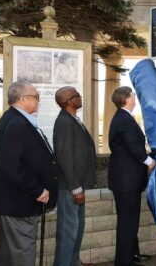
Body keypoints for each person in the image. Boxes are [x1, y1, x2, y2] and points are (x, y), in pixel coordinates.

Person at [0, 81, 58, 266]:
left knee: (11, 253)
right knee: (22, 253)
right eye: (35, 96)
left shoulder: (15, 119)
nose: (38, 100)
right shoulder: (17, 123)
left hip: (16, 202)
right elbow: (11, 166)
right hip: (19, 203)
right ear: (23, 99)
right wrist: (37, 191)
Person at [108, 86, 156, 266]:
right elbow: (133, 147)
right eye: (133, 94)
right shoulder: (125, 120)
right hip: (126, 180)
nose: (135, 96)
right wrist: (149, 161)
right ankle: (124, 261)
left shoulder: (123, 117)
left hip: (125, 179)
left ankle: (131, 254)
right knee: (128, 222)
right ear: (127, 99)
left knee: (129, 220)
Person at [53, 86, 97, 266]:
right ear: (68, 101)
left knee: (77, 228)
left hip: (77, 184)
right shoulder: (63, 122)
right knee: (68, 230)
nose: (80, 97)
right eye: (77, 95)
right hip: (70, 187)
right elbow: (64, 157)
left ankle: (73, 262)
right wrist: (76, 188)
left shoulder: (72, 119)